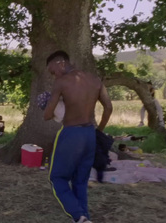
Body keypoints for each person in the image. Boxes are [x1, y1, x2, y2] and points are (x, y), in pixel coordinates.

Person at [44, 50, 112, 223]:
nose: (53, 76)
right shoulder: (95, 81)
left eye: (53, 71)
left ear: (61, 63)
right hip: (90, 134)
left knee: (57, 178)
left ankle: (78, 216)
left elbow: (47, 115)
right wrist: (99, 130)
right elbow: (109, 108)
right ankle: (85, 219)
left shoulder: (62, 82)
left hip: (71, 134)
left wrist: (49, 103)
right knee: (80, 181)